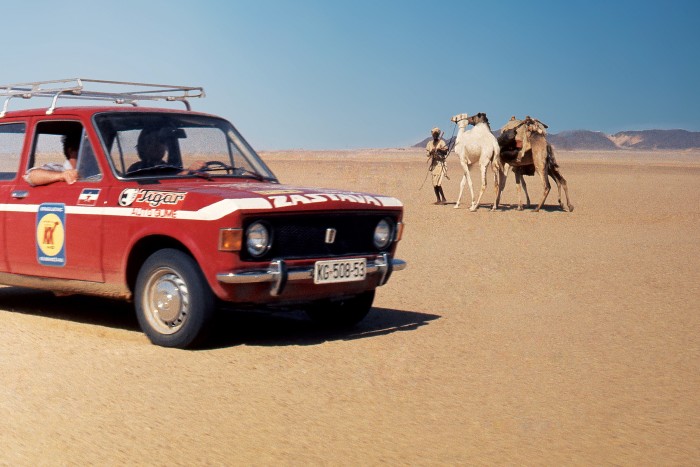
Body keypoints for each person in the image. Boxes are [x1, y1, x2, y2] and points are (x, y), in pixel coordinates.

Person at [128, 128, 204, 174]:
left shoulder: (168, 167)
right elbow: (159, 183)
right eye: (151, 142)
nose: (158, 146)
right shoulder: (137, 168)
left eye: (161, 142)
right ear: (143, 147)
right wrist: (188, 171)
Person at [425, 127, 449, 204]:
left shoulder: (441, 142)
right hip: (434, 164)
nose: (435, 135)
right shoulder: (429, 143)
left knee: (438, 182)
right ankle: (438, 199)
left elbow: (445, 152)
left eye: (436, 134)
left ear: (438, 135)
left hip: (440, 164)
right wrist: (431, 152)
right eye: (434, 134)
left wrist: (439, 150)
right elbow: (427, 154)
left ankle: (444, 199)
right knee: (434, 183)